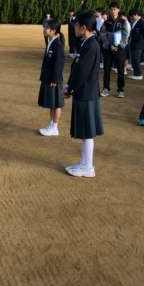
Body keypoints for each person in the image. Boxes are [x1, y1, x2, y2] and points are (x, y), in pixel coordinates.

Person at [64, 11, 103, 178]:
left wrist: (69, 89)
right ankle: (84, 162)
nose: (74, 27)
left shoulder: (91, 45)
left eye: (76, 24)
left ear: (84, 28)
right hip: (84, 93)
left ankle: (87, 167)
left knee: (87, 132)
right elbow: (77, 68)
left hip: (86, 93)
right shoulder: (86, 43)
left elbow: (82, 73)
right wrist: (69, 86)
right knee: (85, 132)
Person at [38, 19, 65, 137]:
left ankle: (55, 127)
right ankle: (51, 124)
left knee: (56, 103)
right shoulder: (50, 41)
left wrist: (55, 79)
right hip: (48, 77)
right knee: (51, 102)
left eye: (46, 27)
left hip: (54, 80)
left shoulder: (58, 44)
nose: (44, 29)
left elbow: (59, 64)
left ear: (53, 31)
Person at [100, 2, 129, 98]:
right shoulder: (106, 22)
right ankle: (106, 88)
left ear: (118, 10)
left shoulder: (123, 22)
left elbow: (125, 35)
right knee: (106, 70)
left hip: (119, 50)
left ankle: (120, 90)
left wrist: (120, 45)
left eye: (115, 9)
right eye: (111, 9)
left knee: (120, 70)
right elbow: (103, 35)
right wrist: (109, 46)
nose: (113, 11)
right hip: (108, 50)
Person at [128, 8, 144, 80]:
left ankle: (138, 74)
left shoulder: (142, 23)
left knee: (135, 59)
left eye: (132, 16)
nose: (131, 17)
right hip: (133, 43)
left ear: (136, 15)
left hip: (139, 44)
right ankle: (135, 73)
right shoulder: (135, 21)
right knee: (133, 59)